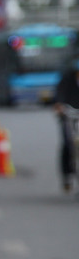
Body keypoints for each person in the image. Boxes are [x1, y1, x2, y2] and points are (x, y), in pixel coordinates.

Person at [53, 57, 79, 192]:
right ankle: (67, 176)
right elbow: (60, 95)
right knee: (68, 145)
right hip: (70, 117)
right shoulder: (67, 79)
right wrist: (60, 107)